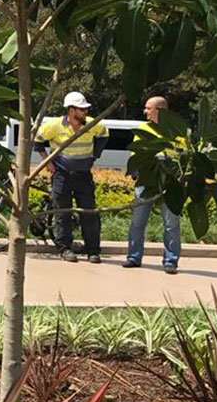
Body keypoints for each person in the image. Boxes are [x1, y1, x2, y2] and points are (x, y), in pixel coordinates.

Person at [34, 91, 109, 264]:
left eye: (85, 109)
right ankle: (65, 249)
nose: (85, 112)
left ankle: (93, 251)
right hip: (62, 176)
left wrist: (95, 155)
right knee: (62, 213)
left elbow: (104, 134)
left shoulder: (92, 124)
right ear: (71, 110)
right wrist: (47, 162)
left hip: (83, 176)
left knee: (89, 213)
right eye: (82, 109)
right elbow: (37, 140)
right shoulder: (54, 126)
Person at [124, 96, 182, 274]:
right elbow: (135, 153)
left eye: (148, 108)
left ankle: (170, 261)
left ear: (161, 111)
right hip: (146, 181)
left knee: (171, 224)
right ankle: (134, 257)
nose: (145, 111)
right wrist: (134, 171)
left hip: (169, 181)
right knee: (137, 222)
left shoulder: (176, 131)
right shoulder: (143, 129)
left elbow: (181, 156)